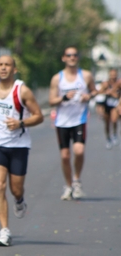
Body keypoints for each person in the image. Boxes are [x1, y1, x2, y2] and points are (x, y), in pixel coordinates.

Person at [0, 55, 43, 247]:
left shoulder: (22, 91)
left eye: (7, 65)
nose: (3, 68)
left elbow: (39, 116)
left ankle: (19, 199)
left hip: (19, 146)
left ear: (14, 70)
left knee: (16, 188)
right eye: (0, 65)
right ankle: (4, 231)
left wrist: (21, 122)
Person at [49, 46, 97, 201]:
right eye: (69, 55)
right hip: (62, 121)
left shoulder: (86, 75)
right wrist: (64, 98)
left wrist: (87, 96)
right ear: (63, 58)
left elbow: (94, 91)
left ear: (78, 58)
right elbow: (51, 100)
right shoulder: (57, 78)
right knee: (65, 156)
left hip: (79, 120)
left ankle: (76, 180)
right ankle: (68, 185)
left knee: (79, 151)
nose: (72, 58)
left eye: (75, 55)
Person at [98, 69, 121, 149]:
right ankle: (108, 138)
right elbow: (99, 92)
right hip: (107, 104)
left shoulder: (119, 83)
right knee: (107, 123)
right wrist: (105, 92)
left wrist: (113, 94)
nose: (113, 77)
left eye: (115, 75)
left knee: (114, 120)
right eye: (112, 75)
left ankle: (115, 134)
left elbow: (118, 95)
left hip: (115, 104)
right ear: (109, 75)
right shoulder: (105, 84)